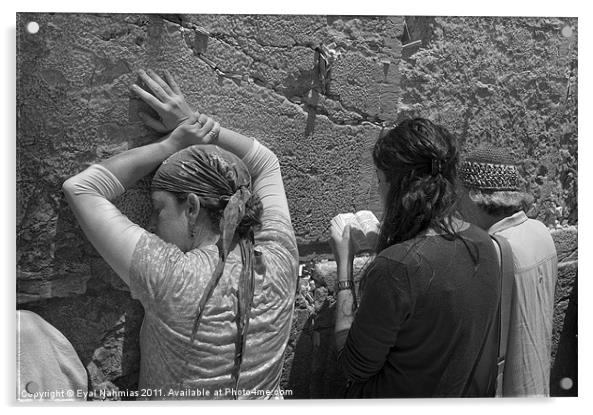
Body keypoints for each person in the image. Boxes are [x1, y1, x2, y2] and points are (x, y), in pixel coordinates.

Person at [62, 69, 298, 400]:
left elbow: (81, 188)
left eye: (159, 210)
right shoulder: (280, 256)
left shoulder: (172, 276)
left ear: (191, 207)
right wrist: (195, 121)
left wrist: (174, 141)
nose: (153, 225)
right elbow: (266, 163)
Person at [330, 118, 501, 398]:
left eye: (380, 180)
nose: (379, 191)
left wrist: (344, 267)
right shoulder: (484, 242)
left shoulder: (396, 267)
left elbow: (354, 366)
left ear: (397, 186)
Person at [458, 146, 558, 397]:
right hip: (538, 385)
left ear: (472, 195)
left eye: (457, 194)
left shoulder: (494, 251)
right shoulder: (541, 231)